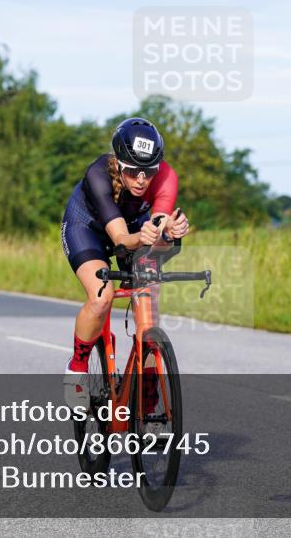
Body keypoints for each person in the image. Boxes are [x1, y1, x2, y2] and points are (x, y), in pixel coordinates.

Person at [60, 117, 189, 407]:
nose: (142, 179)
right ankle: (77, 368)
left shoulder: (167, 177)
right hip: (88, 228)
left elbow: (158, 225)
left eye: (149, 171)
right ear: (118, 163)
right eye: (133, 171)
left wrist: (170, 232)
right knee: (102, 297)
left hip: (136, 229)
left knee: (148, 307)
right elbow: (120, 239)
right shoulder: (98, 174)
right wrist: (144, 236)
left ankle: (149, 402)